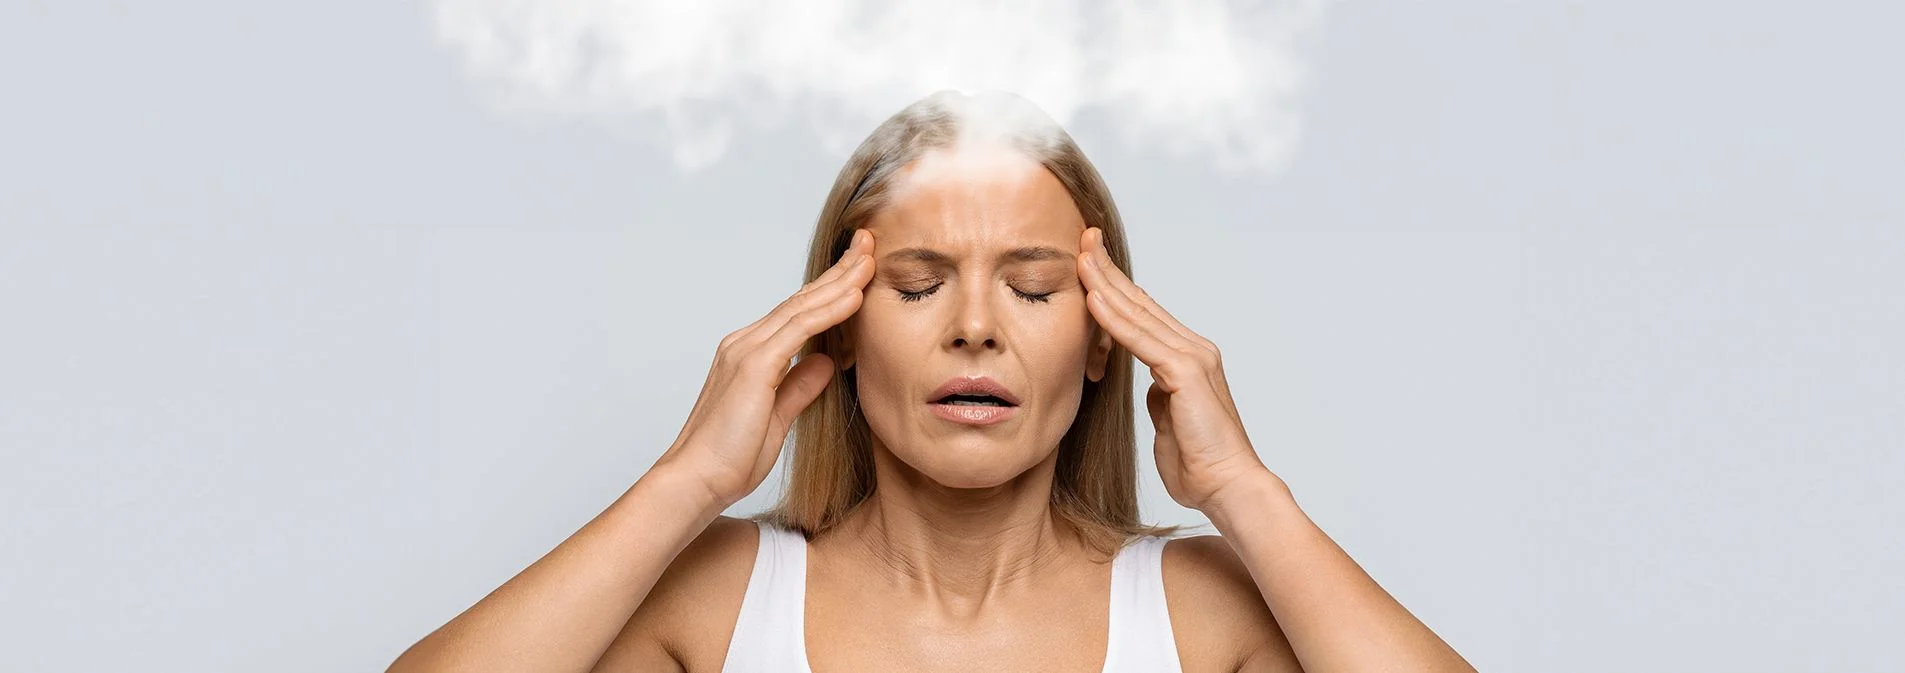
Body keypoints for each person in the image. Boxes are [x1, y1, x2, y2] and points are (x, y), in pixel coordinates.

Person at [387, 91, 1475, 673]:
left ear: (1104, 336)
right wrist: (686, 479)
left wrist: (1246, 489)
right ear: (842, 329)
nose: (973, 328)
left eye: (1034, 289)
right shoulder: (720, 597)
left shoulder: (1198, 613)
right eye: (915, 287)